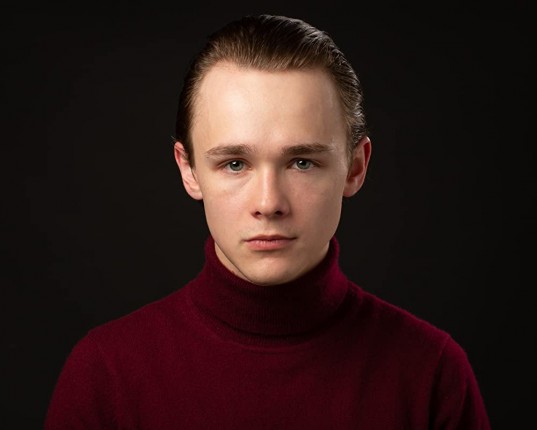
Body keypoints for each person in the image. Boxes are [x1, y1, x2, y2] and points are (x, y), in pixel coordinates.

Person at [44, 14, 491, 429]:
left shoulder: (432, 373)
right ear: (189, 169)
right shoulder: (104, 374)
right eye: (235, 164)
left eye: (302, 162)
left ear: (355, 167)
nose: (269, 203)